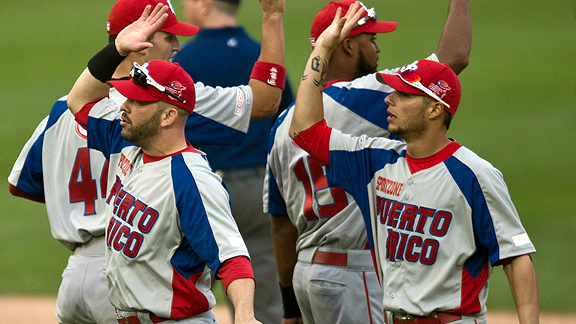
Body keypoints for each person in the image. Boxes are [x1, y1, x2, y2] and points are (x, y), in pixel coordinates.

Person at [8, 0, 286, 322]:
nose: (178, 47)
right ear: (140, 44)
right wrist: (272, 17)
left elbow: (23, 185)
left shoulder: (59, 113)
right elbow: (266, 100)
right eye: (169, 37)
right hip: (135, 265)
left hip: (81, 272)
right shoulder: (163, 106)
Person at [288, 5, 539, 324]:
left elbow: (516, 257)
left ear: (435, 109)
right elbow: (304, 130)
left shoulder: (474, 174)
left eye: (404, 94)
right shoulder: (374, 161)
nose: (389, 99)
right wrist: (323, 49)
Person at [263, 0, 471, 323]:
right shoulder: (361, 97)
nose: (377, 50)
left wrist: (290, 307)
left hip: (306, 274)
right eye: (371, 41)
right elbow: (454, 57)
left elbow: (281, 226)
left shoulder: (282, 125)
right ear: (346, 44)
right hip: (351, 273)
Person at [66, 4, 261, 323]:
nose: (124, 106)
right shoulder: (130, 146)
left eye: (137, 101)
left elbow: (232, 258)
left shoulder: (192, 178)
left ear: (169, 115)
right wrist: (116, 49)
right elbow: (80, 101)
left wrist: (245, 314)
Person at [173, 0, 294, 322]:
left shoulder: (181, 60)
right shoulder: (263, 52)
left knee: (183, 294)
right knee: (263, 300)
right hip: (260, 189)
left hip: (199, 190)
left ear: (204, 4)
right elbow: (289, 121)